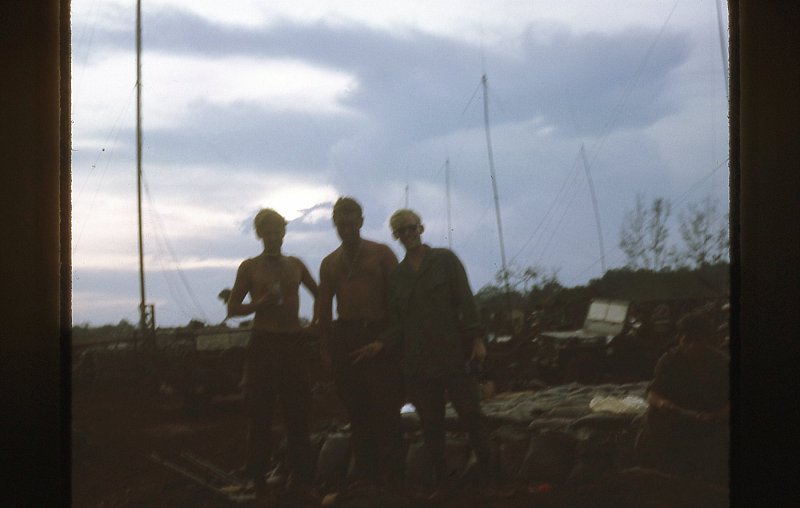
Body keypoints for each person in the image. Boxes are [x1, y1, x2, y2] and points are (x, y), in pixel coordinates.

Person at [375, 208, 491, 495]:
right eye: (401, 231)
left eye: (411, 227)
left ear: (421, 228)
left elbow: (466, 300)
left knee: (471, 416)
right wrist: (381, 343)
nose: (408, 234)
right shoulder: (397, 277)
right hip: (419, 363)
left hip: (454, 355)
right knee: (431, 425)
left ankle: (493, 481)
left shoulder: (445, 260)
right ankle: (443, 484)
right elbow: (397, 324)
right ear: (396, 236)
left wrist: (476, 339)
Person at [226, 208, 319, 498]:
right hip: (263, 344)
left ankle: (301, 480)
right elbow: (233, 308)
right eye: (267, 232)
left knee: (298, 414)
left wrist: (315, 324)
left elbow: (321, 294)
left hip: (293, 343)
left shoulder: (296, 265)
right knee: (260, 416)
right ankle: (259, 482)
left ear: (284, 233)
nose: (272, 236)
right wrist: (259, 304)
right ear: (259, 234)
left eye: (277, 231)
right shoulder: (250, 267)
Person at [317, 197, 405, 488]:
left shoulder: (381, 254)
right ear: (335, 224)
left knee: (386, 406)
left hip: (378, 332)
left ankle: (393, 475)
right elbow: (324, 310)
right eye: (341, 224)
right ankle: (365, 474)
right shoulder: (330, 263)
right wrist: (326, 350)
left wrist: (388, 340)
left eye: (351, 223)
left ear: (361, 222)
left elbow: (398, 301)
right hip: (346, 335)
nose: (346, 229)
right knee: (356, 408)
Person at [637, 311, 730, 486]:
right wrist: (663, 403)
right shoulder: (669, 361)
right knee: (654, 419)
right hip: (678, 419)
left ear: (708, 341)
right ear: (679, 339)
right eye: (687, 341)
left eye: (698, 341)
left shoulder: (722, 364)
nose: (692, 346)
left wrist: (718, 415)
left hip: (714, 420)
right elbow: (652, 394)